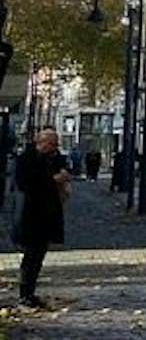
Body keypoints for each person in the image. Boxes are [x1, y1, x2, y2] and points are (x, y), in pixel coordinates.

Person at [14, 127, 70, 310]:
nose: (55, 148)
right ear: (42, 142)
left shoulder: (53, 159)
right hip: (31, 214)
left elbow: (63, 171)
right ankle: (25, 294)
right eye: (52, 144)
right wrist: (54, 180)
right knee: (31, 256)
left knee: (38, 256)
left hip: (48, 213)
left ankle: (29, 292)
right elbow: (25, 184)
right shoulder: (27, 159)